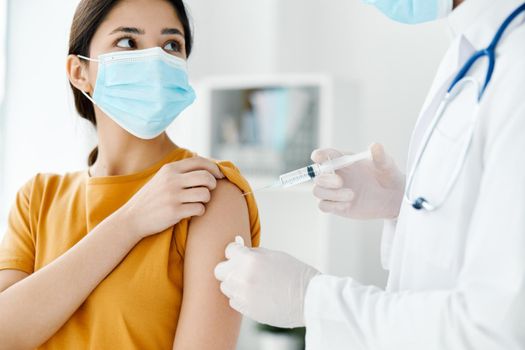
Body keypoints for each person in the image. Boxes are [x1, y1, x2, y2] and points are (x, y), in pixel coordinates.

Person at [215, 0, 525, 348]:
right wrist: (401, 204)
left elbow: (494, 329)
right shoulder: (473, 49)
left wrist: (312, 300)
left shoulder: (515, 64)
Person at [0, 0, 260, 349]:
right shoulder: (38, 198)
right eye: (127, 42)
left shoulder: (208, 191)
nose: (154, 61)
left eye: (171, 45)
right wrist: (129, 222)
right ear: (80, 72)